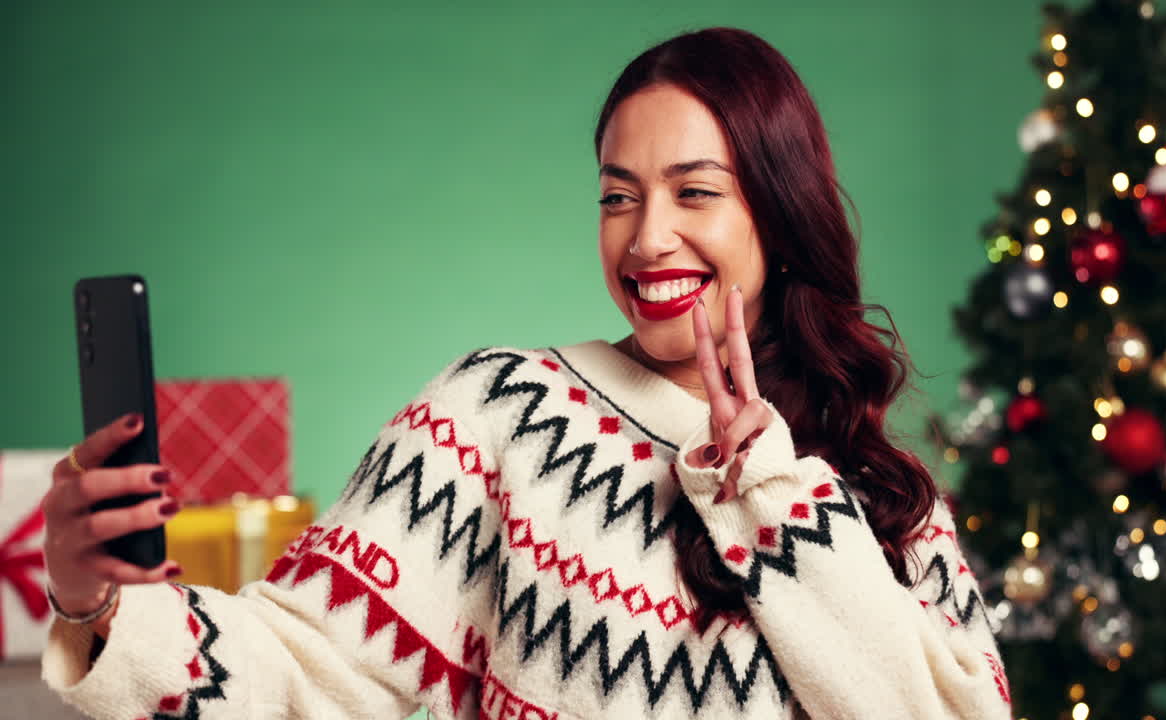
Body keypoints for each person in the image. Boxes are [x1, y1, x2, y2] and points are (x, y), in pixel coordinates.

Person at [41, 27, 1011, 720]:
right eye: (616, 196)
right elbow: (303, 672)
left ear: (779, 214)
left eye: (695, 193)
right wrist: (99, 608)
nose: (646, 237)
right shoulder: (502, 413)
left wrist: (764, 488)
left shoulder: (872, 485)